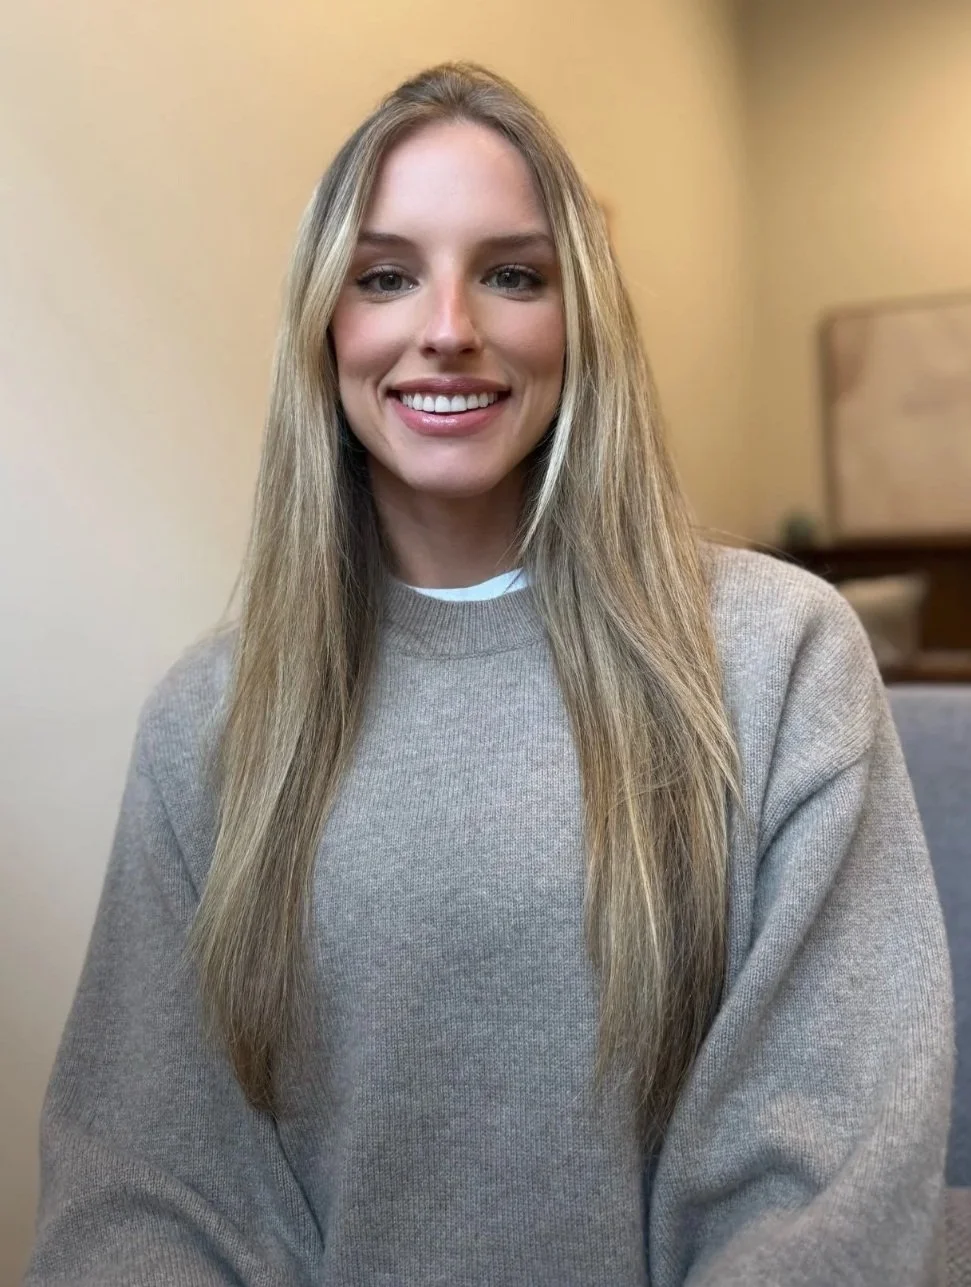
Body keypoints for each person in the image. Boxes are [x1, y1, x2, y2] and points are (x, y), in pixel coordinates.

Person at [25, 62, 954, 1287]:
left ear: (580, 325)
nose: (448, 324)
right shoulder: (208, 720)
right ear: (326, 324)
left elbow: (824, 1172)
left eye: (512, 274)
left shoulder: (779, 657)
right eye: (386, 275)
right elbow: (144, 1186)